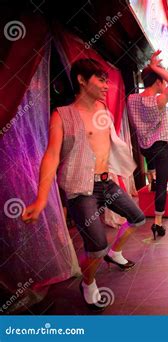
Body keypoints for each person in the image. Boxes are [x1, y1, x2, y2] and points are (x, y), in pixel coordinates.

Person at [22, 58, 146, 311]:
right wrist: (41, 198)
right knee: (97, 245)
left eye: (106, 80)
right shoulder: (63, 115)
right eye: (100, 79)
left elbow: (108, 145)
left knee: (138, 218)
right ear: (81, 79)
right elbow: (52, 156)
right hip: (81, 189)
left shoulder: (103, 110)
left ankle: (115, 253)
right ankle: (88, 282)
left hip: (106, 183)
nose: (106, 85)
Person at [128, 50, 168, 240]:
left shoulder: (131, 99)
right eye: (161, 80)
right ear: (158, 81)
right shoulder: (159, 101)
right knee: (162, 186)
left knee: (155, 179)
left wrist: (152, 68)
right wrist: (155, 67)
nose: (165, 84)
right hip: (161, 148)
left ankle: (152, 180)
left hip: (145, 148)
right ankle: (157, 223)